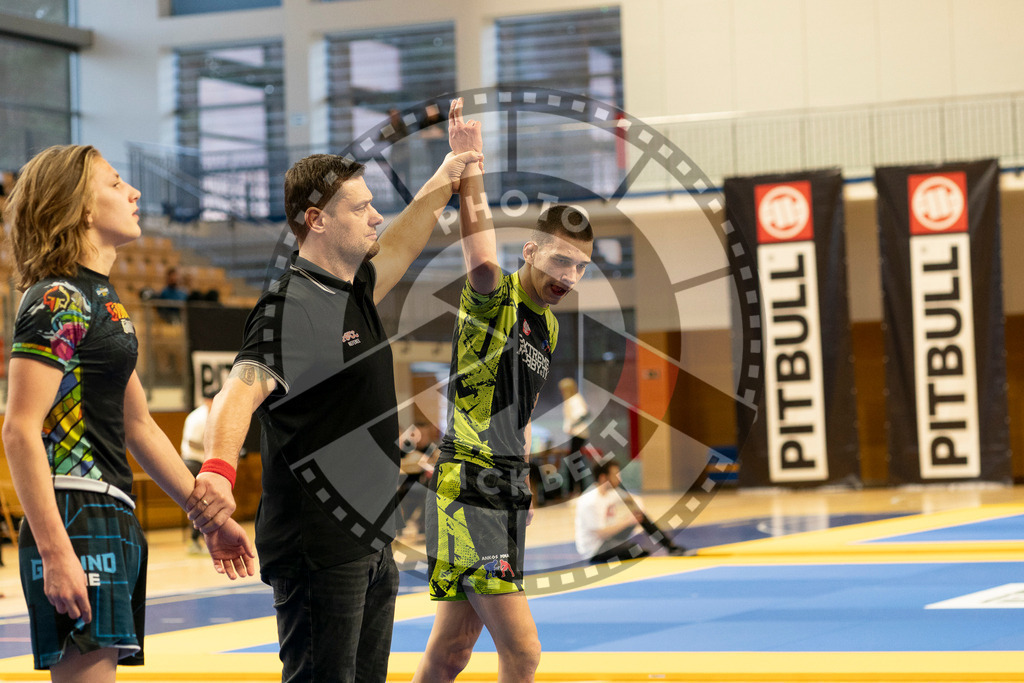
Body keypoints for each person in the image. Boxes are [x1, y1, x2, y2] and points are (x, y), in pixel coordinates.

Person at [186, 138, 483, 679]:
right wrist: (219, 469)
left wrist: (448, 173)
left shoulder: (353, 289)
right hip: (319, 547)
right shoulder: (290, 307)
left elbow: (399, 245)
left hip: (369, 540)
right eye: (360, 207)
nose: (376, 215)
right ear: (317, 220)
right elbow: (240, 390)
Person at [0, 144, 255, 681]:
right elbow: (19, 429)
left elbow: (137, 425)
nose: (135, 192)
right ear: (82, 209)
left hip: (112, 514)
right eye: (116, 184)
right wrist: (55, 549)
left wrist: (205, 515)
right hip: (75, 515)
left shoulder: (105, 302)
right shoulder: (57, 299)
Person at [413, 99, 595, 683]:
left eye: (581, 268)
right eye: (560, 261)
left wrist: (523, 483)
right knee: (523, 654)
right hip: (469, 486)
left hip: (502, 487)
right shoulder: (497, 298)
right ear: (531, 251)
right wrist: (471, 165)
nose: (568, 276)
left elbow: (517, 414)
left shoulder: (549, 322)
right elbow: (481, 256)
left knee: (450, 654)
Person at [575, 460, 687, 563]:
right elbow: (601, 533)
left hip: (610, 539)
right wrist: (627, 521)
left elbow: (634, 500)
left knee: (639, 516)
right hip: (595, 549)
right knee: (637, 551)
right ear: (603, 478)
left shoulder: (611, 492)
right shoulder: (590, 501)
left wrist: (638, 510)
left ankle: (670, 546)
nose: (619, 479)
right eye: (615, 475)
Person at [180, 395, 214, 554]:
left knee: (204, 503)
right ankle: (194, 540)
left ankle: (199, 540)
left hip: (200, 462)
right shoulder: (198, 417)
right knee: (200, 503)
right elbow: (191, 442)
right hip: (192, 462)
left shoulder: (210, 414)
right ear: (208, 400)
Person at [558, 376, 593, 496]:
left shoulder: (575, 400)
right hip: (577, 434)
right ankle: (577, 489)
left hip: (579, 434)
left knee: (573, 462)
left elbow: (584, 415)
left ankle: (576, 489)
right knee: (574, 461)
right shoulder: (572, 400)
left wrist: (572, 426)